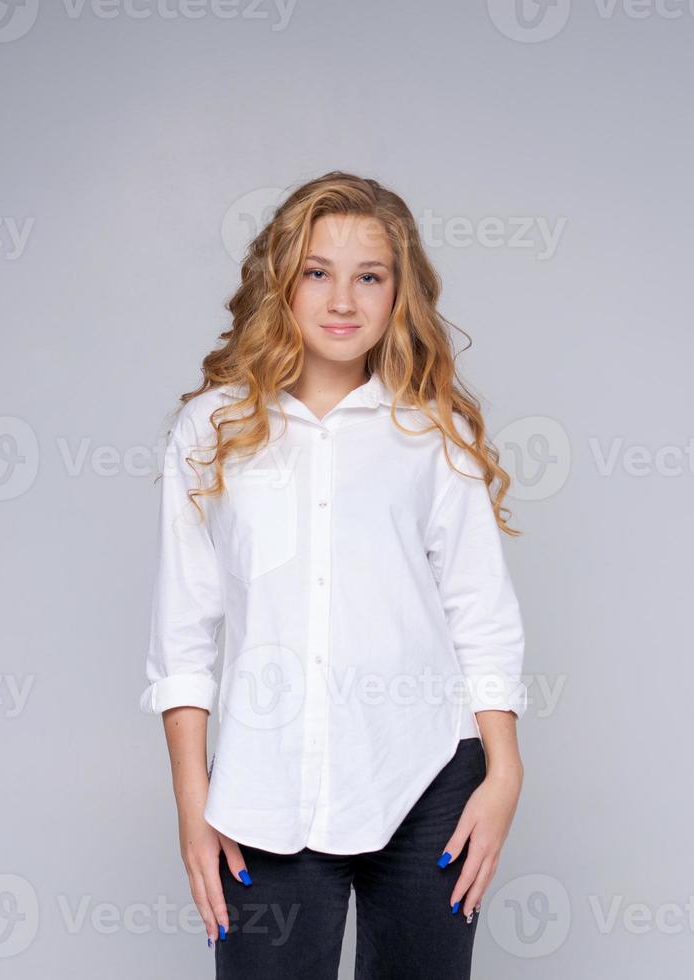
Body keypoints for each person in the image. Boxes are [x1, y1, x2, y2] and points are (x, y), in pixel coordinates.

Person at [140, 170, 529, 979]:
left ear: (399, 294)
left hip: (427, 782)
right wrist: (192, 803)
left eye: (370, 276)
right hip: (264, 792)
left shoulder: (432, 430)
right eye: (318, 272)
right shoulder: (210, 430)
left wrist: (503, 775)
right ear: (281, 282)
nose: (343, 299)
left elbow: (480, 612)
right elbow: (183, 633)